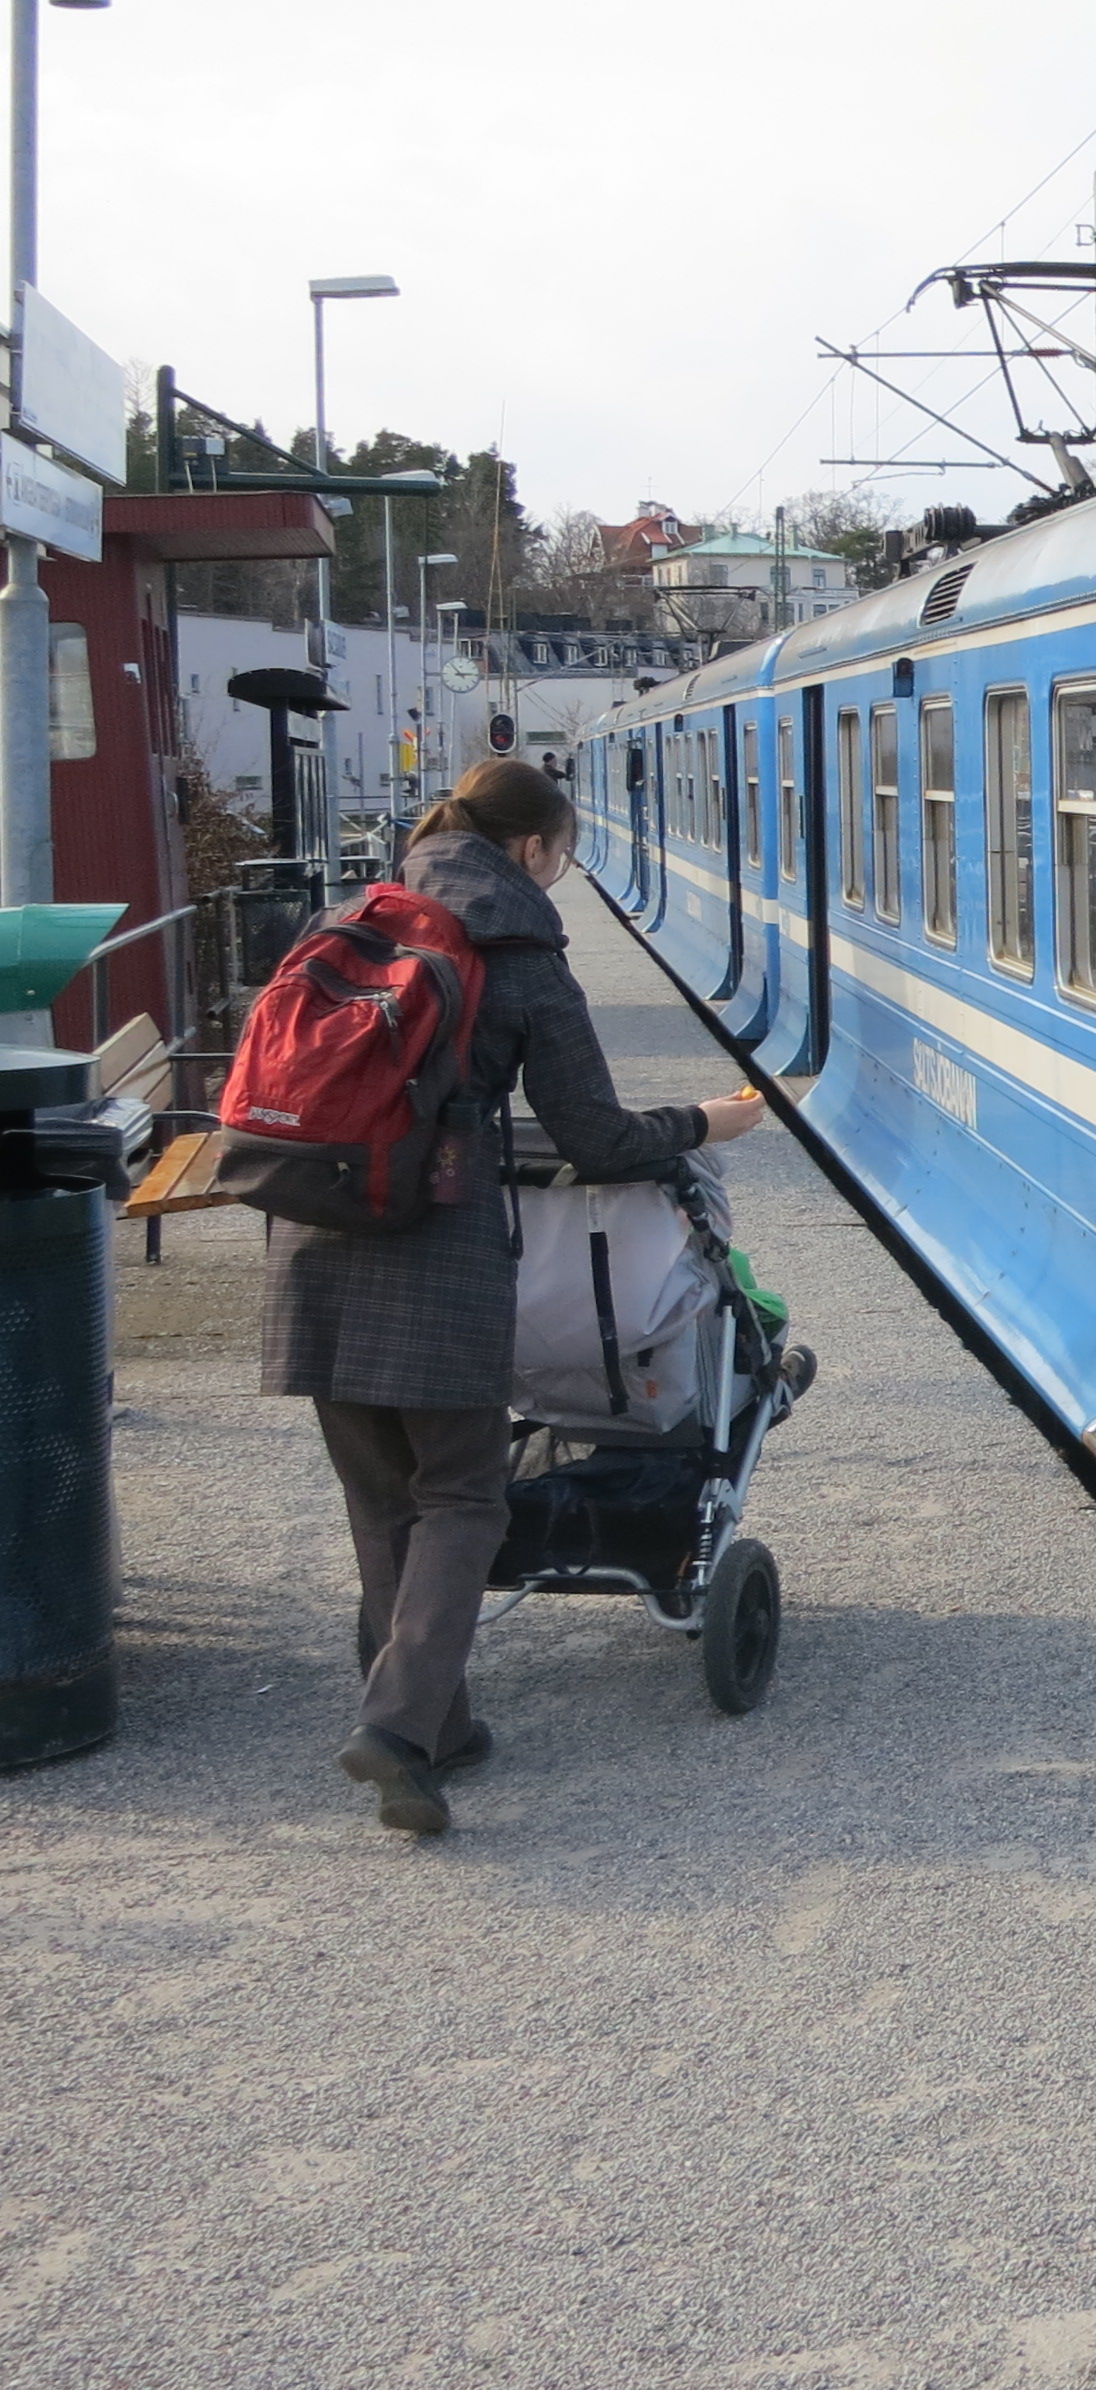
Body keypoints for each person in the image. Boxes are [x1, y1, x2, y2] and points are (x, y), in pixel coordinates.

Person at [261, 758, 766, 1837]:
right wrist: (706, 1122)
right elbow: (597, 1136)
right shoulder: (520, 947)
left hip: (311, 1237)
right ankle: (399, 1728)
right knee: (461, 1494)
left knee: (383, 1502)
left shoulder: (354, 913)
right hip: (433, 1255)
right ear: (533, 848)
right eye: (563, 853)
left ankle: (438, 1730)